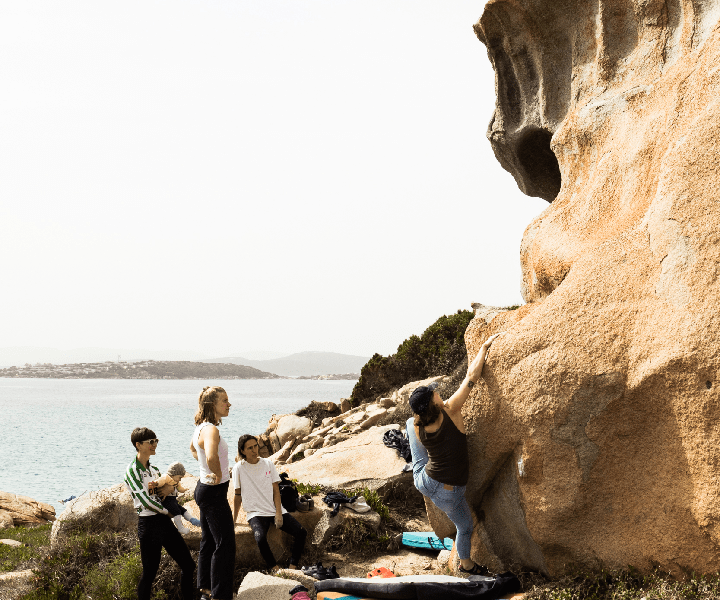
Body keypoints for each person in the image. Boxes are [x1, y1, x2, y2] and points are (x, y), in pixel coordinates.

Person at [406, 333, 502, 575]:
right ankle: (466, 564)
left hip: (426, 483)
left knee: (410, 426)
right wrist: (484, 347)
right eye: (435, 393)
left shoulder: (419, 425)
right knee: (465, 527)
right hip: (450, 492)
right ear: (433, 402)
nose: (439, 393)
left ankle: (466, 563)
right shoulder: (451, 410)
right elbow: (472, 376)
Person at [124, 427, 195, 600]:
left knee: (188, 565)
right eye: (151, 442)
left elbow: (164, 494)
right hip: (149, 525)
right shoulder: (133, 471)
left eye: (156, 441)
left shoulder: (154, 469)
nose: (155, 445)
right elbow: (145, 501)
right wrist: (169, 513)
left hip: (164, 522)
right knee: (149, 573)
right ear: (138, 445)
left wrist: (171, 489)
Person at [232, 434, 307, 571]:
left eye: (256, 446)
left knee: (301, 532)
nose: (254, 450)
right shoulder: (238, 468)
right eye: (250, 448)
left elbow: (276, 491)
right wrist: (234, 519)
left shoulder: (268, 464)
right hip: (255, 512)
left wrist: (278, 513)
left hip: (273, 509)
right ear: (242, 451)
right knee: (260, 538)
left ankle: (292, 567)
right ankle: (275, 569)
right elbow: (237, 495)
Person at [190, 386, 236, 600]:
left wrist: (206, 470)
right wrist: (217, 473)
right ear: (212, 405)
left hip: (204, 490)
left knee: (209, 541)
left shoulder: (201, 427)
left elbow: (193, 449)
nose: (229, 404)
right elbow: (210, 456)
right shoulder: (211, 430)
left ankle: (206, 588)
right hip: (213, 492)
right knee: (225, 543)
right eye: (224, 400)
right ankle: (221, 594)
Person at [150, 461, 201, 534]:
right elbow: (161, 481)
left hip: (173, 501)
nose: (180, 480)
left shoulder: (176, 482)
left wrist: (184, 490)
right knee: (177, 511)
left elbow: (180, 488)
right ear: (173, 474)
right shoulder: (166, 477)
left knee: (183, 510)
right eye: (179, 477)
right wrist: (156, 483)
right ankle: (180, 528)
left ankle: (194, 521)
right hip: (166, 501)